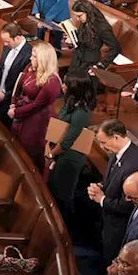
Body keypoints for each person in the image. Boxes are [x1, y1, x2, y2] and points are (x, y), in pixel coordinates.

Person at [89, 118, 138, 264]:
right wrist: (100, 186)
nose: (102, 147)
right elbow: (111, 178)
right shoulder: (118, 152)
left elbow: (128, 205)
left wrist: (101, 199)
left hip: (118, 227)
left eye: (103, 142)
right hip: (107, 221)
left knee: (111, 263)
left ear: (116, 137)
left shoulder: (133, 165)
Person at [48, 71, 97, 217]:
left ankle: (65, 225)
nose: (62, 86)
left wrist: (50, 154)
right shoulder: (70, 101)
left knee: (63, 193)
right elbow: (58, 122)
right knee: (54, 188)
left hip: (70, 157)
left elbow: (67, 142)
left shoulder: (82, 112)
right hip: (59, 151)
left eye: (65, 84)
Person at [8, 39, 61, 162]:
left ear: (43, 59)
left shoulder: (52, 82)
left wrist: (16, 112)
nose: (31, 58)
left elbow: (36, 105)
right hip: (22, 110)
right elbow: (19, 87)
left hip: (36, 120)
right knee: (15, 145)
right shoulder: (31, 68)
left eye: (34, 56)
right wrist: (13, 103)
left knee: (27, 150)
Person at [68, 0, 121, 74]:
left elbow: (116, 48)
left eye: (79, 16)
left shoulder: (102, 28)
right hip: (77, 59)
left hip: (89, 63)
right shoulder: (85, 21)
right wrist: (71, 41)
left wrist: (101, 65)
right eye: (75, 16)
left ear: (88, 12)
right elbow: (82, 40)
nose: (77, 19)